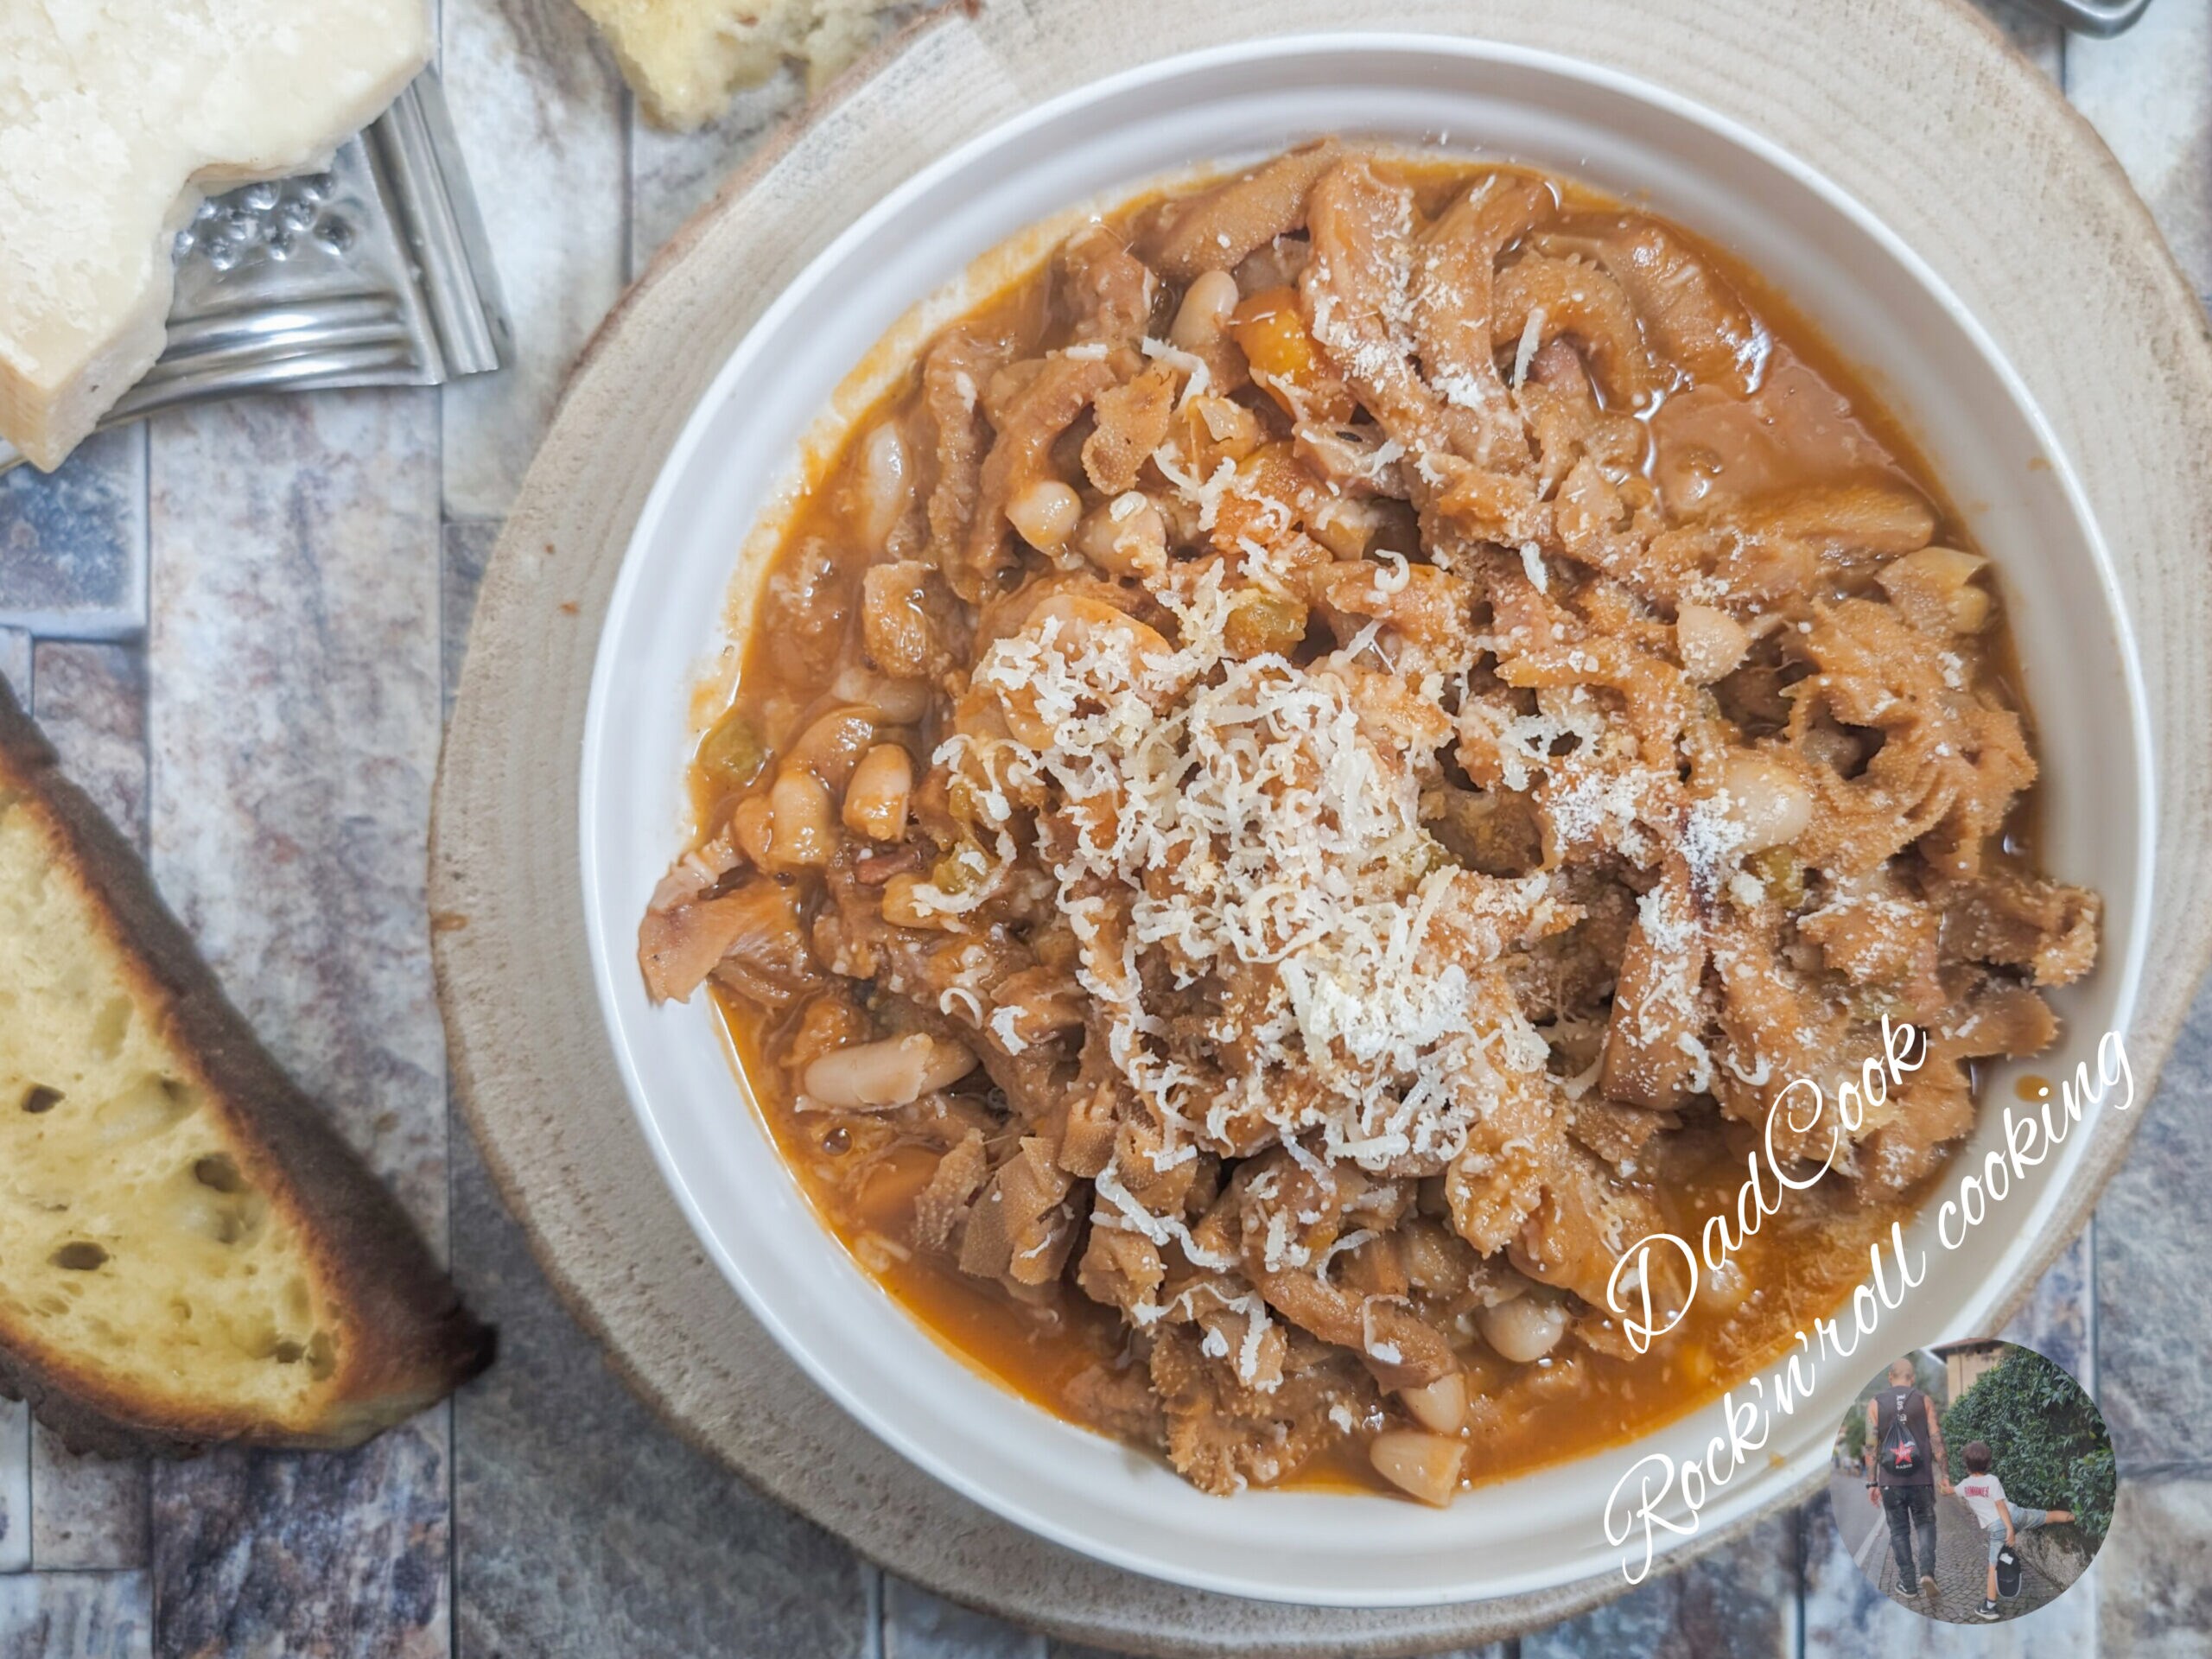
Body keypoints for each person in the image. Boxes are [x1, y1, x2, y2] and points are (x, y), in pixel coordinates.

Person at [1956, 1440, 2075, 1621]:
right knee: (2048, 1516)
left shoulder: (1964, 1486)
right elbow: (2002, 1505)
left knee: (1993, 1566)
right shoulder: (1992, 1480)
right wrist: (2011, 1527)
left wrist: (2010, 1530)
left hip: (2000, 1527)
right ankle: (2079, 1517)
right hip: (2017, 1515)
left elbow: (1998, 1505)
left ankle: (1989, 1607)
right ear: (1988, 1463)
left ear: (1966, 1465)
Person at [1865, 1357, 1949, 1600]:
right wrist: (1945, 1475)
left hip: (1890, 1481)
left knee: (1899, 1532)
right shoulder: (1923, 1400)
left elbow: (1871, 1447)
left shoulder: (1874, 1403)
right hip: (1921, 1479)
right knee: (1925, 1525)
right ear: (1912, 1378)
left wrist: (1872, 1483)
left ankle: (1908, 1584)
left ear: (1890, 1376)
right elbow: (1936, 1439)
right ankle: (1927, 1573)